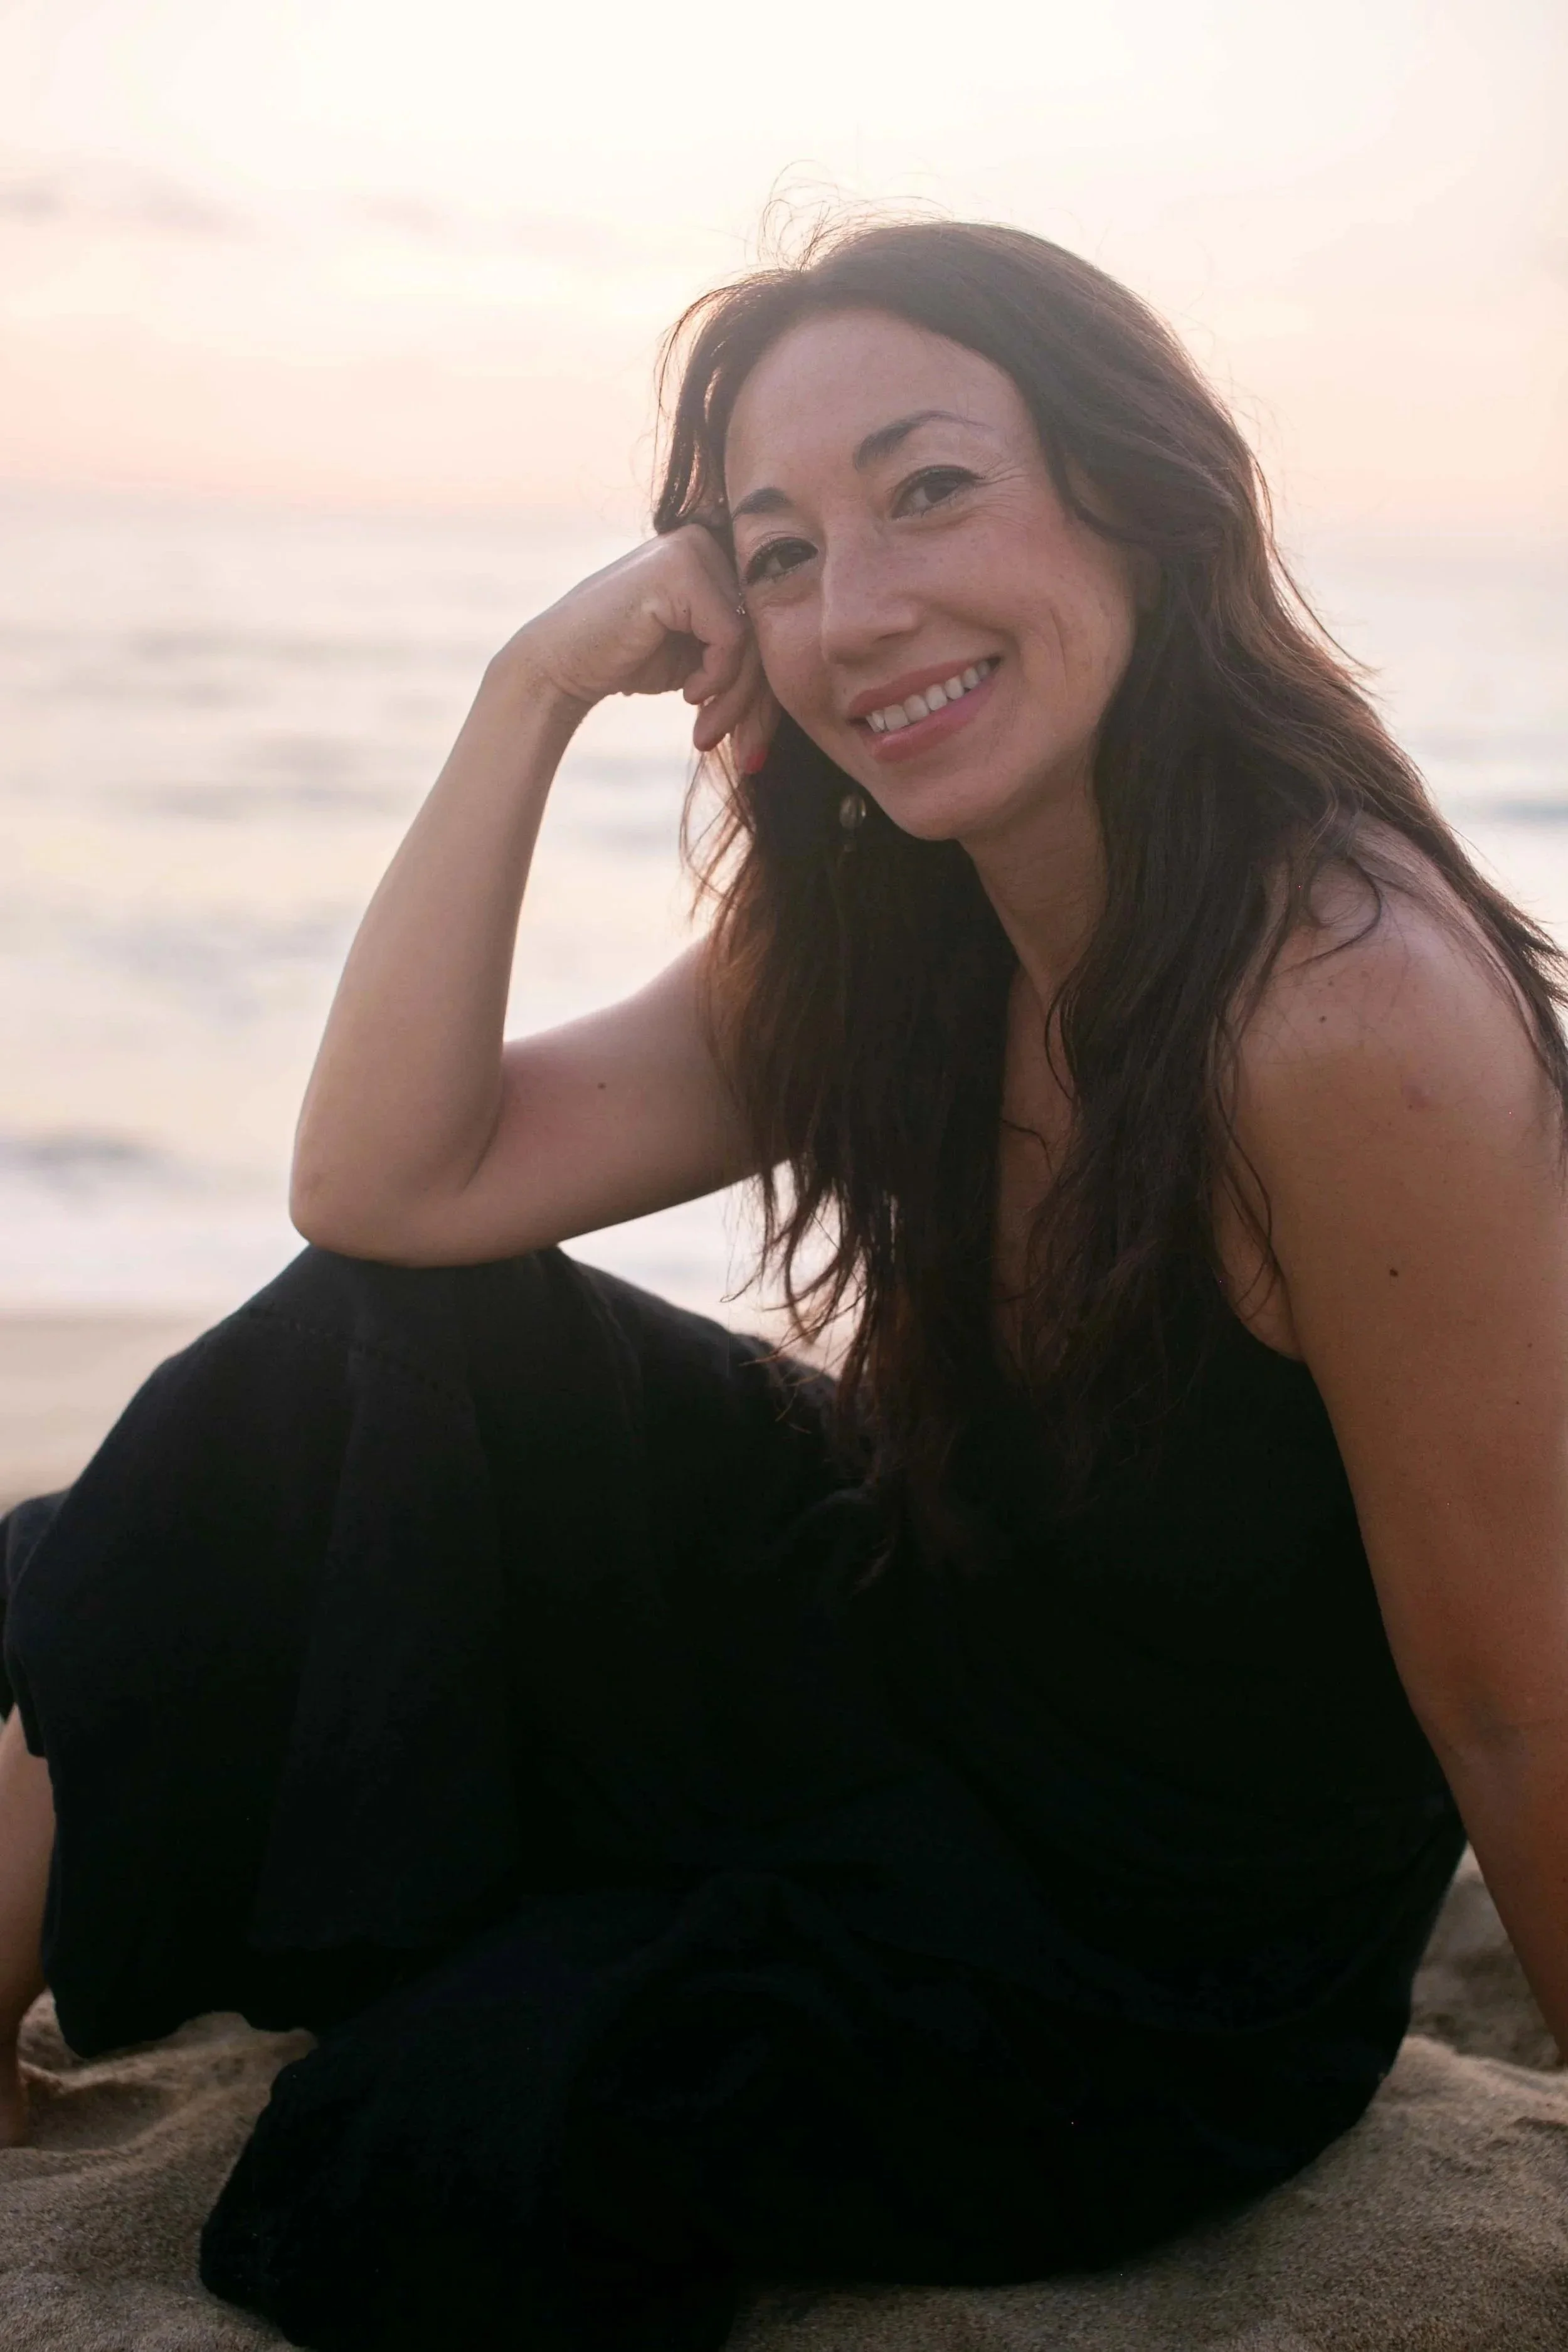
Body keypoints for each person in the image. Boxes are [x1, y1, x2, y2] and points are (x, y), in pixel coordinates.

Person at [3, 216, 1567, 2352]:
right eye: (776, 551)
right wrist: (530, 683)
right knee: (370, 1363)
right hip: (893, 1648)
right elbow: (386, 1181)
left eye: (929, 490)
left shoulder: (1336, 1012)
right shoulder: (888, 915)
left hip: (1132, 1939)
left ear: (1143, 495)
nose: (859, 609)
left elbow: (1518, 1694)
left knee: (455, 2134)